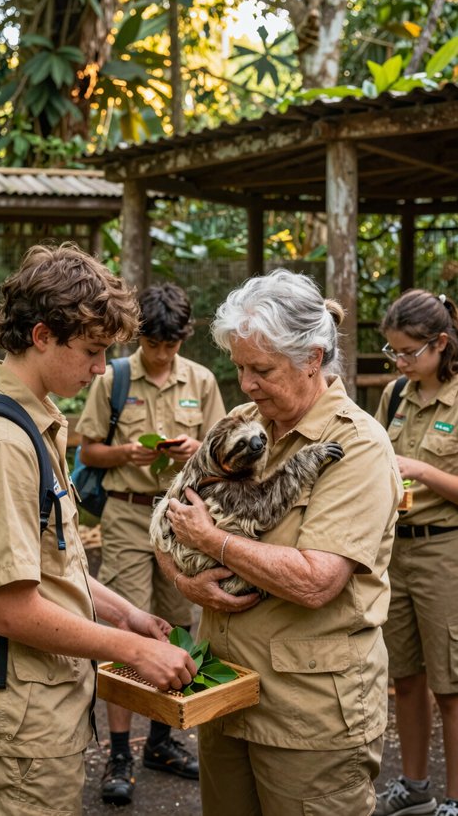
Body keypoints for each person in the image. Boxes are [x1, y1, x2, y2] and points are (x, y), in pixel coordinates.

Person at [0, 244, 197, 816]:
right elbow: (14, 610)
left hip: (41, 710)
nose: (102, 367)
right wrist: (131, 650)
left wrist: (124, 612)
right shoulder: (1, 445)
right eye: (93, 350)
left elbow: (52, 562)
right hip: (16, 726)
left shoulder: (32, 421)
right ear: (42, 335)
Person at [156, 268, 403, 816]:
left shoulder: (357, 446)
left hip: (307, 715)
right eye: (239, 367)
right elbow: (171, 517)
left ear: (312, 357)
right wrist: (185, 579)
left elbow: (317, 581)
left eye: (261, 369)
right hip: (225, 687)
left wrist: (214, 542)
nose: (245, 384)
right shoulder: (244, 421)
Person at [76, 282, 226, 806]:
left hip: (183, 519)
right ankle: (119, 753)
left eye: (172, 344)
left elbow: (223, 453)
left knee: (178, 623)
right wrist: (123, 455)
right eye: (154, 344)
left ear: (183, 339)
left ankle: (160, 741)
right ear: (140, 337)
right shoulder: (113, 378)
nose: (163, 354)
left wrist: (195, 450)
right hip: (127, 515)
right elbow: (88, 451)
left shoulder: (203, 380)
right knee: (126, 623)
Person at [373, 289, 458, 816]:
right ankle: (415, 784)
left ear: (440, 343)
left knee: (451, 685)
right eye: (393, 353)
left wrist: (422, 470)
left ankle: (455, 797)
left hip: (445, 552)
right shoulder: (395, 395)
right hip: (396, 551)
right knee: (406, 678)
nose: (400, 362)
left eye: (408, 352)